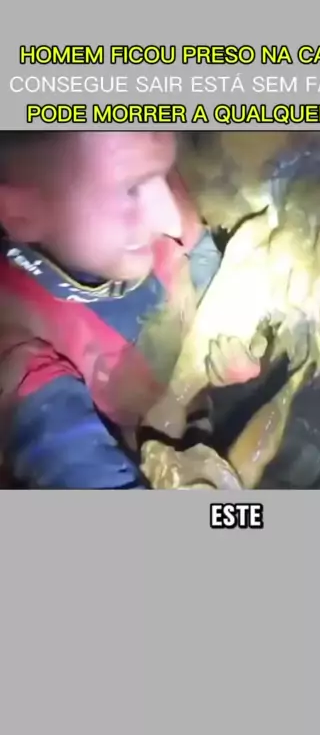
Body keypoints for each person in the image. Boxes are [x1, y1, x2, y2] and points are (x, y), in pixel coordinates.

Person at [0, 131, 260, 489]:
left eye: (164, 172)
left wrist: (231, 344)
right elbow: (68, 456)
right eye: (131, 190)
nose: (169, 220)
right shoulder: (16, 336)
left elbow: (205, 262)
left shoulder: (144, 174)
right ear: (22, 213)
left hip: (192, 410)